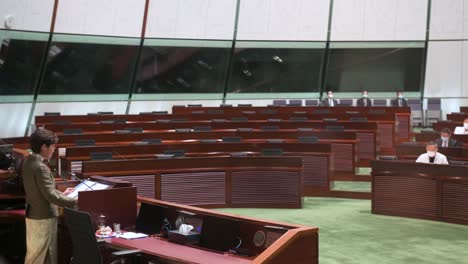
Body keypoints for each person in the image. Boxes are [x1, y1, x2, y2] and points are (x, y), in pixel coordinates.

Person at [22, 128, 77, 264]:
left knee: (35, 255)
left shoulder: (28, 161)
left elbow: (44, 190)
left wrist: (62, 193)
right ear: (43, 147)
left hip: (33, 215)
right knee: (43, 256)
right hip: (44, 218)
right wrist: (75, 200)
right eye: (52, 146)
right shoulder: (40, 167)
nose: (54, 149)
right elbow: (50, 195)